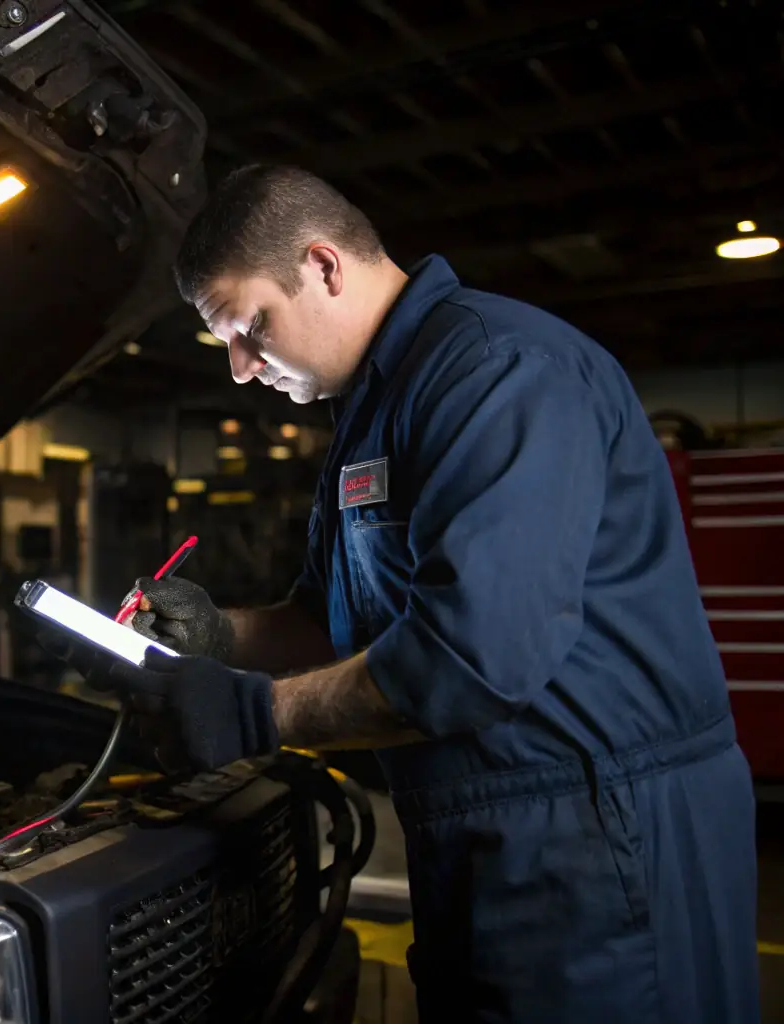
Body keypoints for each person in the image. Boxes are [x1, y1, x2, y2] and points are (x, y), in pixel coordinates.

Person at [101, 165, 759, 1023]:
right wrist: (218, 635)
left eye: (250, 326)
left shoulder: (496, 373)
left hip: (599, 830)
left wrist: (254, 717)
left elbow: (471, 659)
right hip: (485, 830)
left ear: (324, 266)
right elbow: (334, 622)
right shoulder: (374, 410)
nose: (238, 367)